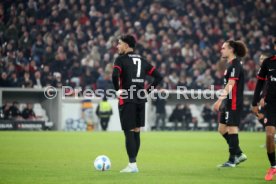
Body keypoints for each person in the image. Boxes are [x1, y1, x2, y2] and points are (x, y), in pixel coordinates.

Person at [112, 35, 162, 173]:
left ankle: (132, 165)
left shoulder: (120, 59)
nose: (117, 46)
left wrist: (117, 91)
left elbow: (115, 75)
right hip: (140, 99)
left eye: (119, 43)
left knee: (128, 132)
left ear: (127, 45)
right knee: (136, 132)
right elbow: (159, 77)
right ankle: (133, 163)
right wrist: (147, 91)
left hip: (127, 99)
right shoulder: (142, 60)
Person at [213, 40, 248, 168]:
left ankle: (232, 159)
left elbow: (231, 84)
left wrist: (219, 100)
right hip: (229, 101)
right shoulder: (231, 65)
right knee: (221, 129)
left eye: (223, 48)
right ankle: (238, 153)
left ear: (231, 49)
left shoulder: (236, 65)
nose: (221, 50)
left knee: (232, 128)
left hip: (234, 101)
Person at [252, 38, 276, 181]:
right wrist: (255, 103)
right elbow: (259, 83)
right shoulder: (268, 62)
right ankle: (273, 166)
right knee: (269, 135)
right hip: (271, 104)